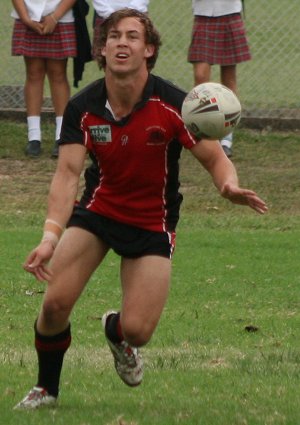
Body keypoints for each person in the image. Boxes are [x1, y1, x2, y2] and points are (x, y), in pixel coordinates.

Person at [14, 8, 267, 410]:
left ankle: (116, 331)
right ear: (101, 47)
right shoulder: (84, 106)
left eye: (133, 36)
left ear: (148, 49)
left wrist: (228, 185)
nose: (122, 43)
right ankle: (46, 389)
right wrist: (50, 236)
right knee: (54, 304)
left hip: (152, 221)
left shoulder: (174, 105)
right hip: (98, 212)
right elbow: (66, 176)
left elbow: (216, 159)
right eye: (114, 36)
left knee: (138, 330)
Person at [11, 0, 77, 158]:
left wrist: (55, 17)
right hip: (27, 15)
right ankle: (34, 137)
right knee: (34, 73)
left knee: (58, 74)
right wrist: (26, 18)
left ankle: (61, 136)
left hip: (60, 16)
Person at [188, 0, 251, 158]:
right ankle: (202, 132)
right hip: (203, 14)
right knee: (201, 77)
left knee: (229, 79)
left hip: (230, 12)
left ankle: (226, 137)